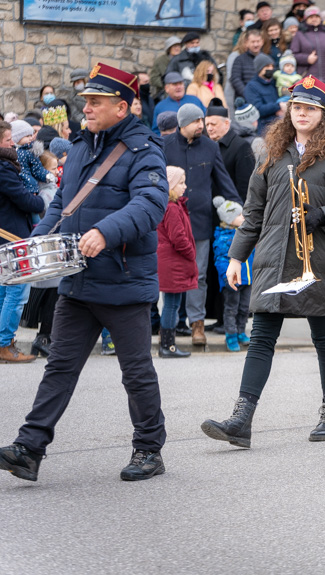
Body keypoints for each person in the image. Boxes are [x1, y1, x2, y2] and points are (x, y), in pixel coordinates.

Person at [0, 64, 170, 482]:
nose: (86, 108)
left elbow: (151, 204)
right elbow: (62, 204)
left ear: (124, 106)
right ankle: (30, 447)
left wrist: (104, 231)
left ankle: (149, 450)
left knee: (136, 372)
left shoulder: (144, 149)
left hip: (124, 280)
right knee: (59, 366)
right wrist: (35, 243)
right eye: (87, 101)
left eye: (96, 102)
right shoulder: (80, 145)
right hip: (77, 280)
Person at [200, 76, 325, 448]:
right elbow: (253, 211)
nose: (302, 113)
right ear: (288, 110)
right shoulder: (271, 152)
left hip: (318, 259)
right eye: (297, 107)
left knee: (324, 337)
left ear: (323, 114)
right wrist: (236, 257)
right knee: (261, 337)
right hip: (273, 258)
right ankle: (241, 419)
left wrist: (323, 215)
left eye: (309, 108)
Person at [163, 104, 243, 348]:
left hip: (199, 222)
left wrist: (238, 209)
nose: (201, 125)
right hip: (168, 224)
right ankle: (171, 325)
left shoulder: (210, 147)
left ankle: (197, 323)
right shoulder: (164, 146)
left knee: (198, 274)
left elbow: (223, 180)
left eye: (203, 120)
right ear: (182, 123)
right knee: (170, 275)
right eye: (196, 121)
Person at [0, 120, 44, 363]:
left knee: (4, 293)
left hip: (5, 236)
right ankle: (5, 344)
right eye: (8, 140)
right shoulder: (4, 167)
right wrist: (41, 202)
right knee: (15, 294)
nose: (12, 144)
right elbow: (25, 200)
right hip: (12, 237)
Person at [157, 166, 196, 358]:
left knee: (171, 304)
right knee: (172, 305)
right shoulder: (172, 208)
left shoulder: (175, 205)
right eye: (181, 183)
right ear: (171, 185)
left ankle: (167, 344)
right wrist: (190, 253)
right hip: (173, 262)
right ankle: (167, 346)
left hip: (172, 261)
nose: (185, 186)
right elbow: (178, 238)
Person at [212, 195, 253, 352]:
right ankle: (230, 335)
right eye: (238, 215)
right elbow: (220, 260)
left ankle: (241, 332)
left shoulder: (247, 234)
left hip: (247, 279)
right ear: (228, 219)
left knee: (244, 308)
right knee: (231, 308)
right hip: (232, 282)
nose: (242, 217)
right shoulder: (223, 238)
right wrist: (225, 276)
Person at [205, 100, 256, 203]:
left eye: (213, 124)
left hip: (233, 210)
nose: (209, 128)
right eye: (207, 125)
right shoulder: (207, 146)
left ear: (226, 124)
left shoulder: (241, 146)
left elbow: (246, 186)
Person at [291, 7, 325, 91]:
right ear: (306, 19)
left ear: (320, 18)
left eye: (316, 16)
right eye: (311, 17)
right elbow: (292, 55)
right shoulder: (299, 35)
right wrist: (306, 59)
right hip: (307, 81)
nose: (314, 19)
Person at [245, 53, 288, 135]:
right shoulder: (251, 87)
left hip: (280, 125)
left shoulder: (274, 83)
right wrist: (278, 106)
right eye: (267, 66)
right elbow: (257, 109)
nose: (271, 69)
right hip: (265, 128)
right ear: (259, 68)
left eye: (272, 66)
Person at [231, 29, 265, 100]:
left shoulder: (266, 59)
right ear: (246, 43)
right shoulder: (239, 59)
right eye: (253, 42)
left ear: (262, 42)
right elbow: (235, 79)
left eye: (258, 41)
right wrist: (248, 94)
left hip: (263, 100)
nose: (256, 44)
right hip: (245, 100)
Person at [149, 36, 182, 101]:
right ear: (169, 48)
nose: (177, 48)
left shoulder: (184, 59)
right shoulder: (160, 61)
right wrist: (166, 85)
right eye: (174, 46)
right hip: (165, 94)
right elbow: (153, 78)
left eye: (179, 46)